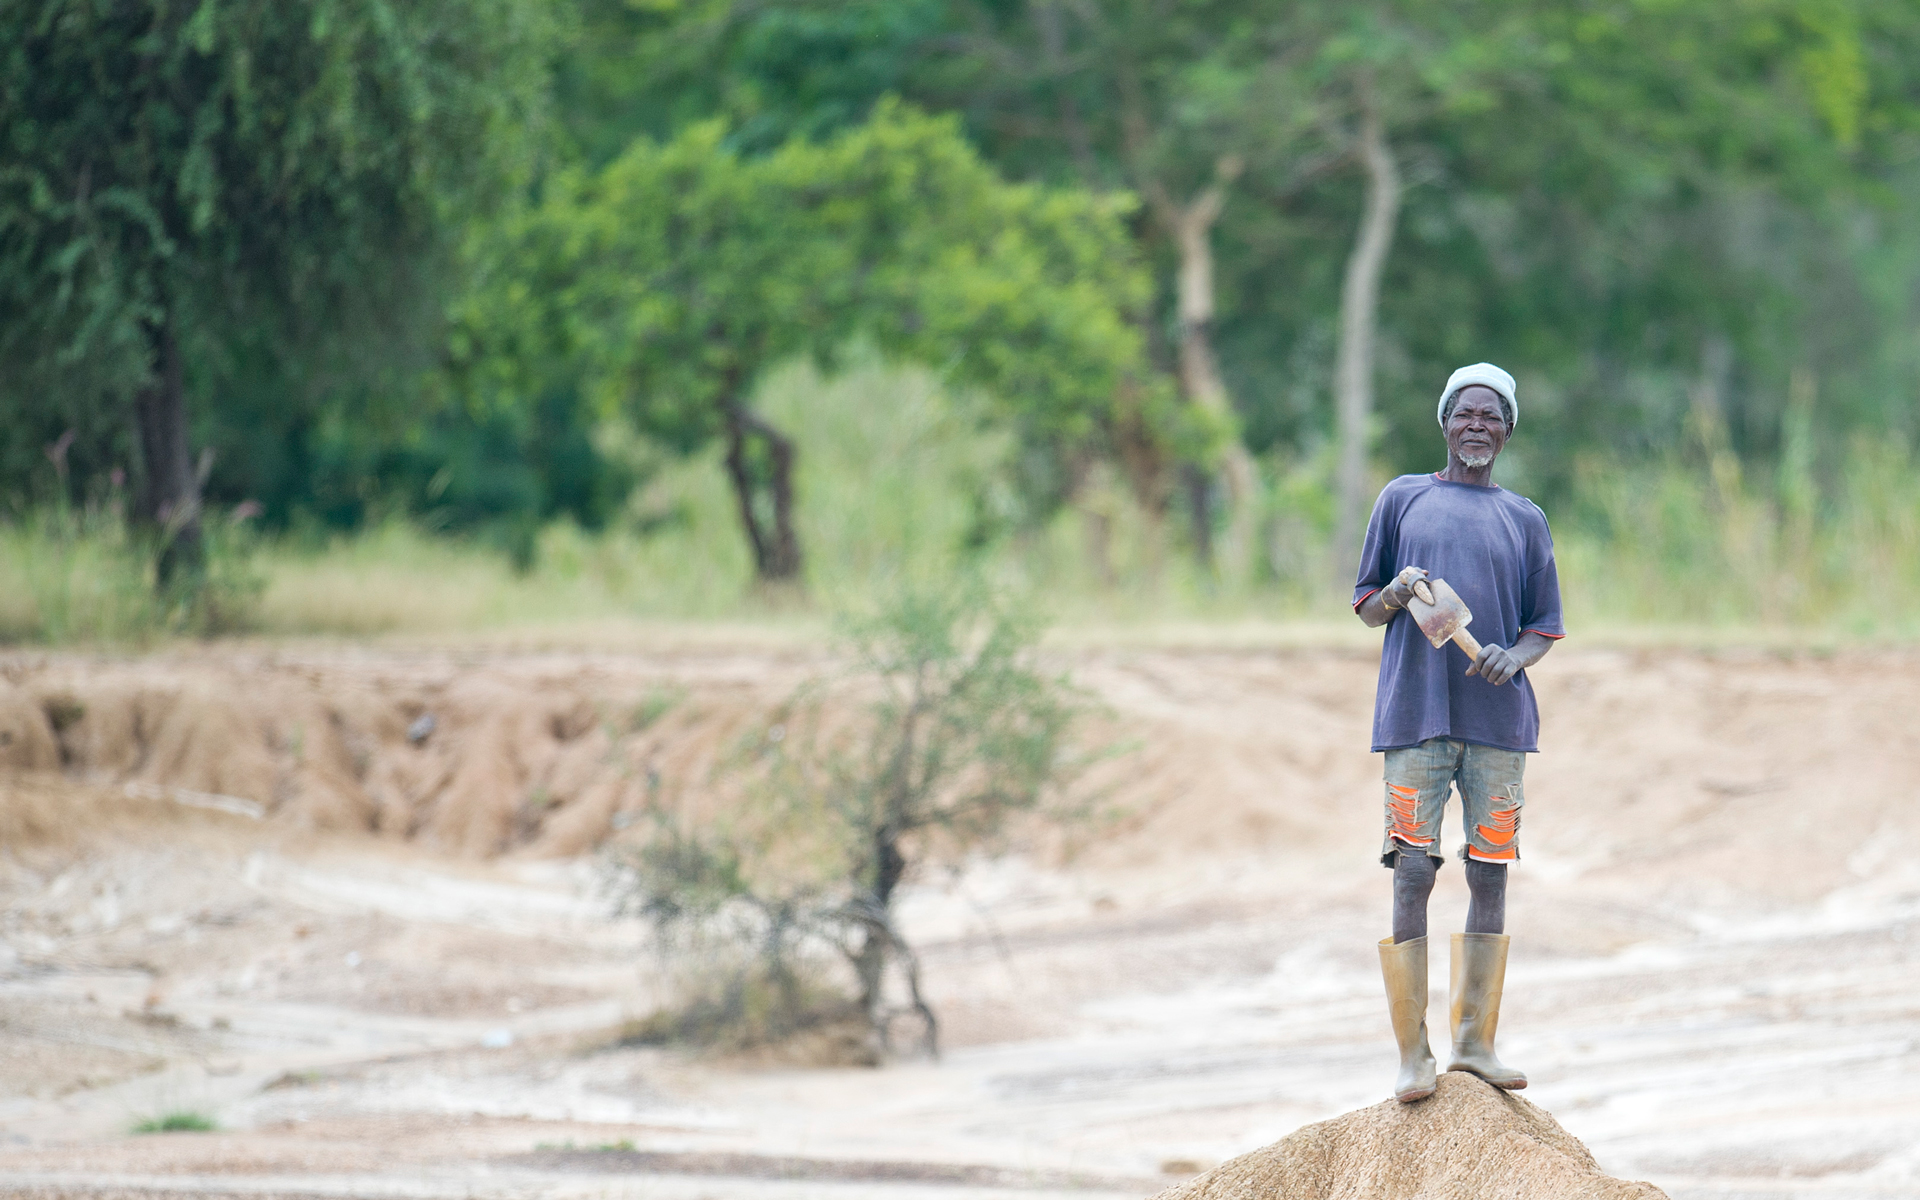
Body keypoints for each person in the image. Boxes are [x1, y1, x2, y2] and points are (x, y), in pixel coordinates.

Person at [1351, 362, 1565, 1103]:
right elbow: (1367, 607)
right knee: (1413, 868)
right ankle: (1414, 1055)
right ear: (1445, 422)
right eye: (1465, 414)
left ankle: (1476, 1043)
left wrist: (1515, 654)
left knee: (1489, 870)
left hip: (1500, 725)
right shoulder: (1403, 498)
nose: (1478, 427)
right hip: (1416, 717)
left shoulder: (1525, 517)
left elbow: (1545, 627)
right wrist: (1399, 590)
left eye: (1492, 416)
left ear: (1508, 430)